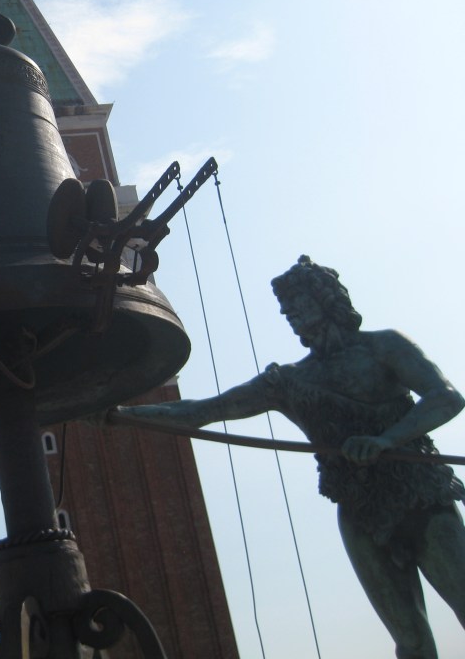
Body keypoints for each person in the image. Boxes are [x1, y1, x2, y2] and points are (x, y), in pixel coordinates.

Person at [107, 255, 464, 659]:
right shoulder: (289, 381)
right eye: (285, 308)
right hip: (360, 511)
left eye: (297, 303)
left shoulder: (385, 347)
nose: (288, 314)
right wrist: (119, 415)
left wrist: (386, 440)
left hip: (421, 496)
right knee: (411, 640)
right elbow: (201, 411)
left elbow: (446, 397)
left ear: (326, 300)